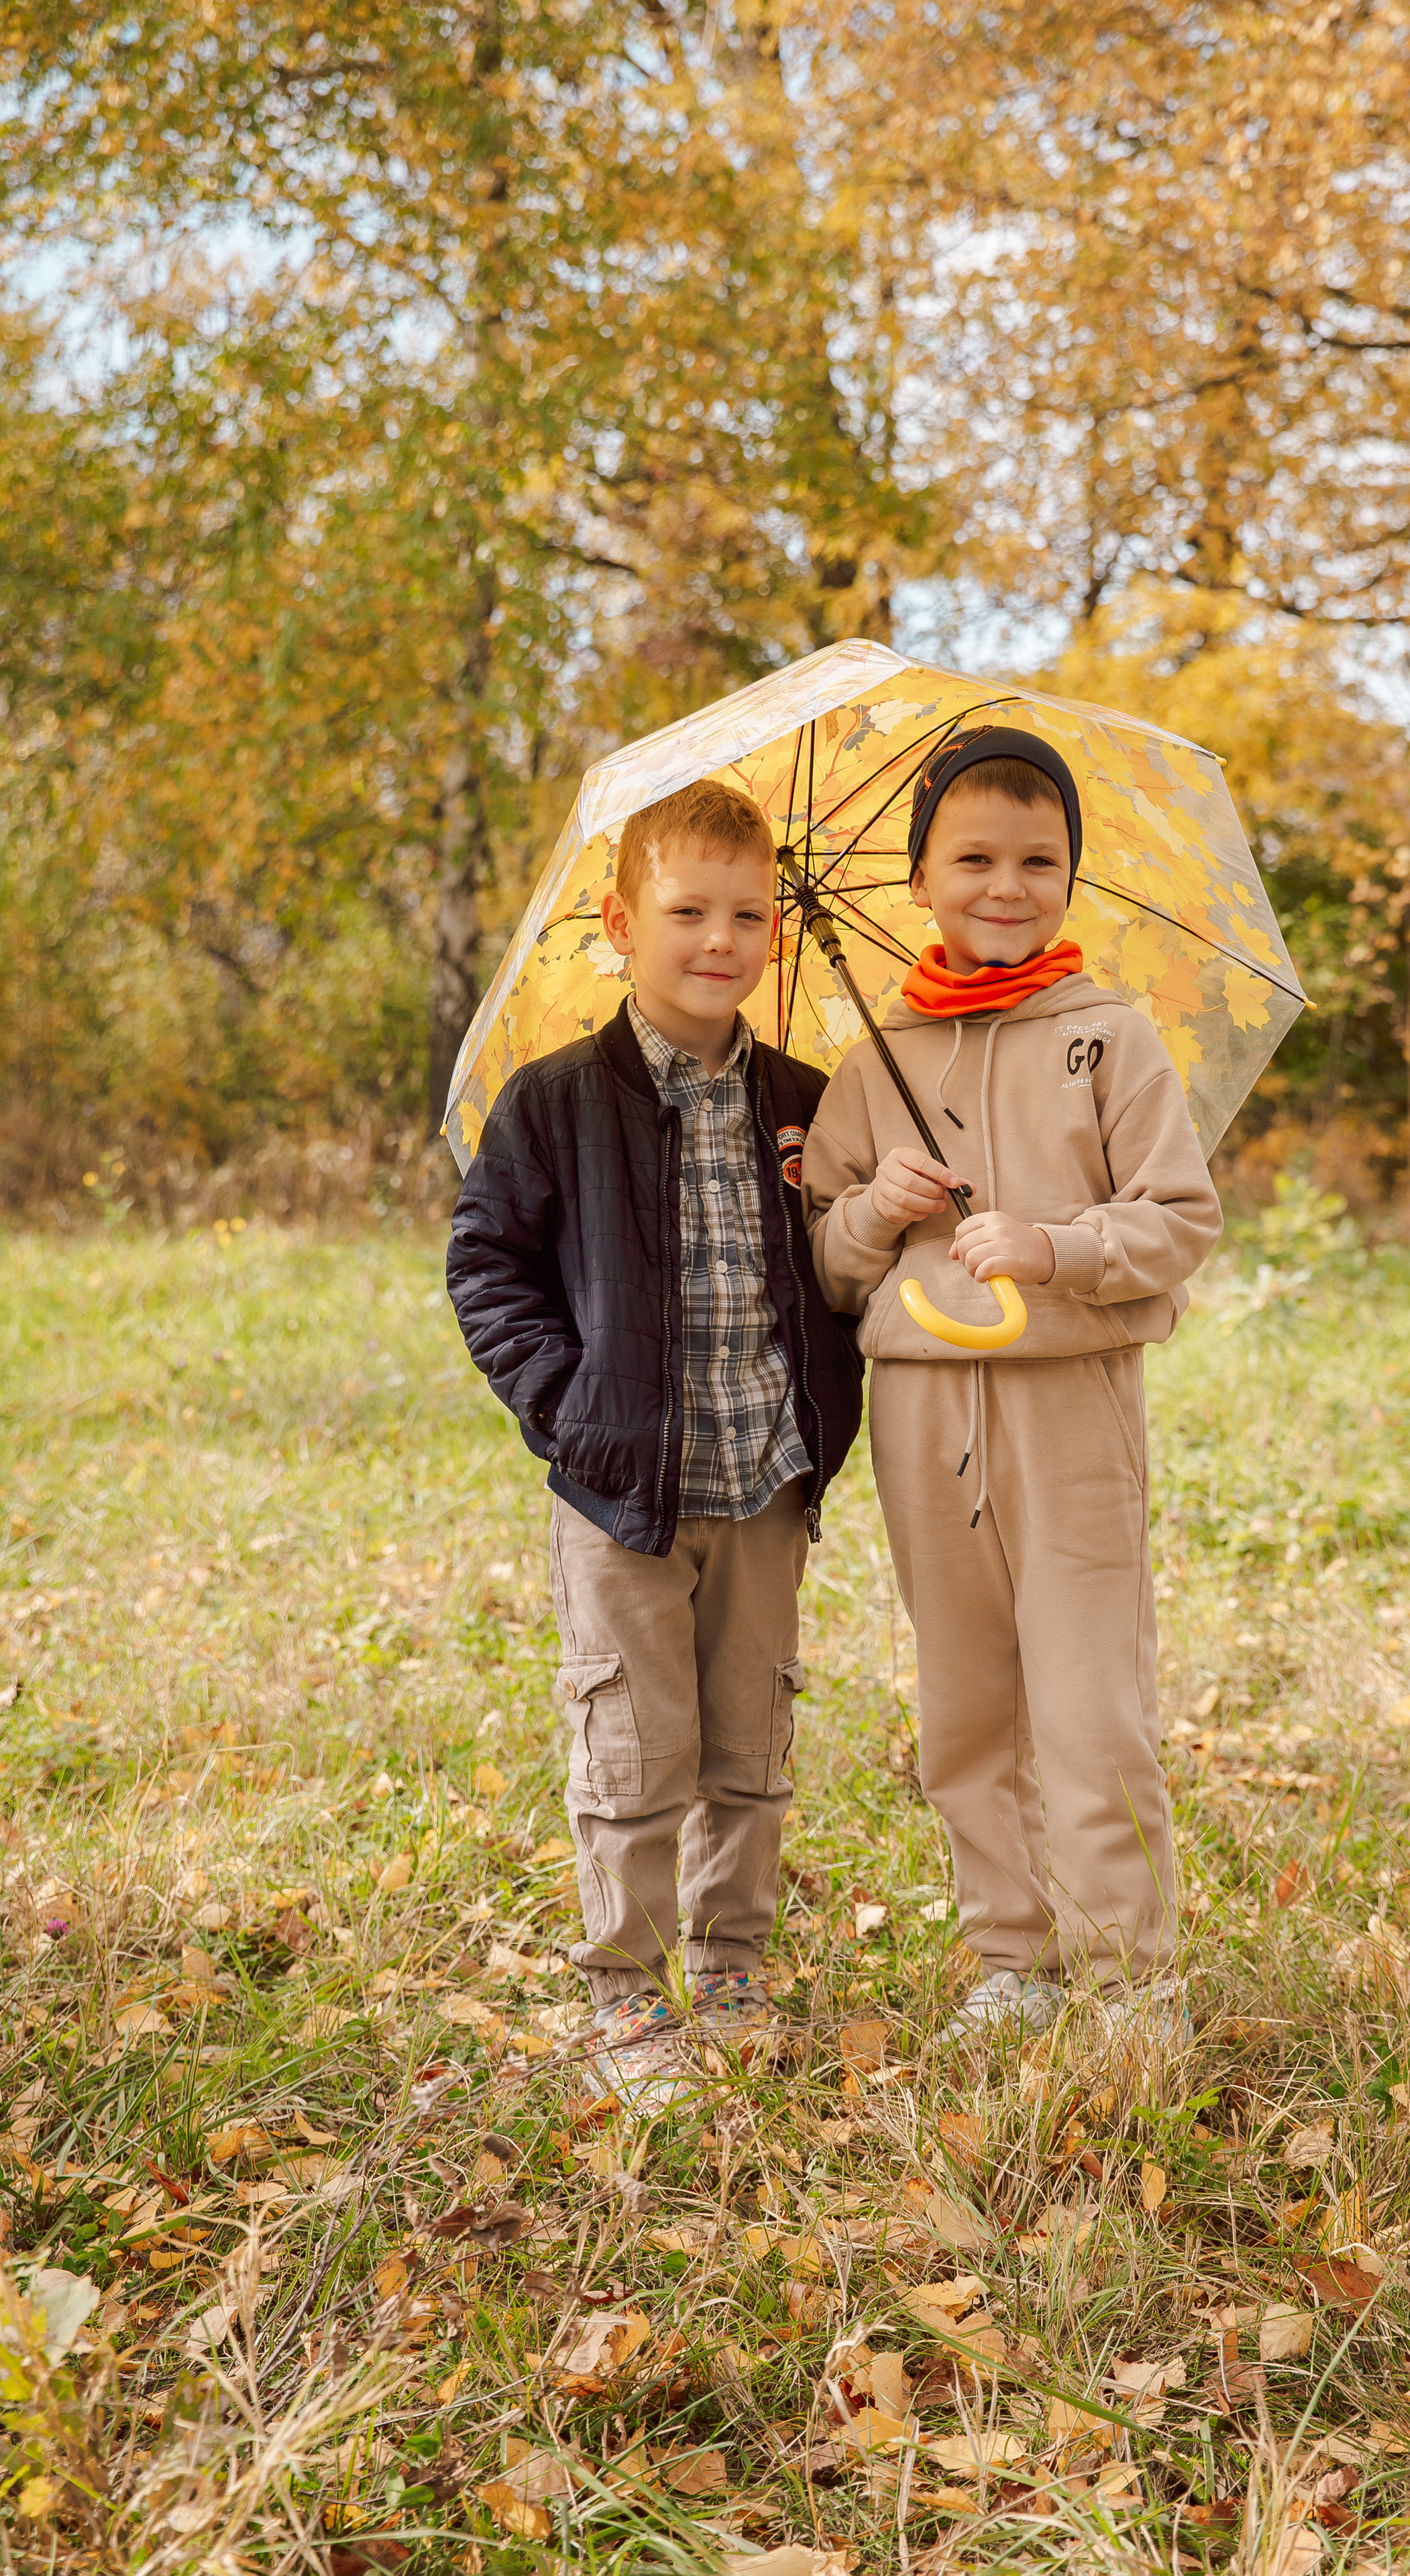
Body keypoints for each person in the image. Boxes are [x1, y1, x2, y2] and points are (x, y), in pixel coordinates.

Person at [802, 725, 1222, 2049]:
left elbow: (1181, 1218)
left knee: (1091, 1699)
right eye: (972, 859)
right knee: (965, 1701)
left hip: (1069, 1407)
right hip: (923, 1417)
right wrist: (873, 1210)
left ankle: (1130, 1974)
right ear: (920, 877)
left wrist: (1055, 1247)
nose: (1005, 885)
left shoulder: (1109, 1039)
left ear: (1070, 878)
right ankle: (1012, 1955)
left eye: (1038, 861)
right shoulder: (872, 1061)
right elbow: (824, 1266)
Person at [447, 778, 863, 2106]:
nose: (718, 939)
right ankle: (626, 1994)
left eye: (747, 914)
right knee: (633, 1747)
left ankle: (731, 1969)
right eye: (687, 912)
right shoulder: (556, 1101)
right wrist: (569, 1410)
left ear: (775, 932)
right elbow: (487, 1266)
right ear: (621, 924)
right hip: (623, 1489)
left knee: (748, 1744)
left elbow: (841, 1270)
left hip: (765, 1480)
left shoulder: (809, 1103)